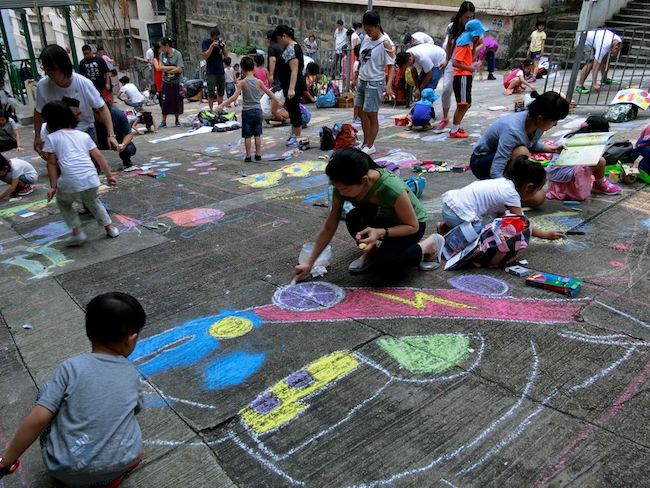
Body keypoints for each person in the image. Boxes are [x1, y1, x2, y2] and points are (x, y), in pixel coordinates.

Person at [0, 292, 146, 486]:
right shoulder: (131, 373)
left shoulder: (71, 367)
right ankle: (111, 477)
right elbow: (135, 410)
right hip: (120, 463)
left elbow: (38, 419)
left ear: (88, 330)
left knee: (47, 394)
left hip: (64, 469)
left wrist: (6, 461)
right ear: (131, 339)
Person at [292, 148, 445, 280]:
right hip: (380, 218)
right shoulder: (341, 185)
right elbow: (330, 226)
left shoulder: (390, 187)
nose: (341, 192)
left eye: (345, 189)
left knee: (390, 263)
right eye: (337, 187)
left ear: (364, 180)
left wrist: (380, 233)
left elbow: (412, 226)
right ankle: (371, 253)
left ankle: (429, 245)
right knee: (353, 218)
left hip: (408, 225)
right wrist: (309, 263)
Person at [470, 91, 570, 206]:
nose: (555, 124)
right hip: (482, 162)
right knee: (521, 151)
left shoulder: (536, 123)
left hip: (502, 163)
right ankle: (501, 192)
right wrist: (508, 197)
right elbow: (496, 170)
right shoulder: (513, 130)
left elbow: (531, 144)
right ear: (540, 118)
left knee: (539, 198)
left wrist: (553, 149)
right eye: (554, 121)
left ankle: (513, 188)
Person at [41, 101, 119, 244]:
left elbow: (51, 164)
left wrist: (53, 186)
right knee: (93, 202)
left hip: (70, 181)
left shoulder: (51, 138)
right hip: (91, 179)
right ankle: (110, 228)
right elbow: (99, 157)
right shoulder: (83, 135)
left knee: (64, 203)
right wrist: (109, 176)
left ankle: (77, 233)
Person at [441, 155, 564, 240]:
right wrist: (545, 234)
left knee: (493, 225)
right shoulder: (512, 195)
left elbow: (502, 215)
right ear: (529, 187)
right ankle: (457, 241)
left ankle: (445, 227)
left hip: (449, 208)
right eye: (537, 190)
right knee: (482, 236)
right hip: (458, 215)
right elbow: (523, 223)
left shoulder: (503, 183)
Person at [34, 44, 119, 155]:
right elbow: (38, 112)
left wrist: (111, 135)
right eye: (45, 69)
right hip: (57, 133)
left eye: (52, 70)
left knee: (91, 164)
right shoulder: (43, 85)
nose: (48, 74)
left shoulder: (83, 83)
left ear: (63, 66)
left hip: (84, 130)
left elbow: (102, 108)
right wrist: (37, 137)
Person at [217, 56, 280, 162]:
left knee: (247, 135)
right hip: (258, 111)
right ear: (253, 67)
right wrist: (277, 101)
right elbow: (269, 92)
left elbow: (234, 97)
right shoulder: (259, 82)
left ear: (242, 69)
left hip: (247, 112)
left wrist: (223, 104)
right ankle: (258, 154)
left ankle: (248, 155)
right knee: (257, 134)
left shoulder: (242, 82)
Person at [352, 10, 395, 155]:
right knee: (362, 112)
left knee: (372, 114)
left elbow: (391, 66)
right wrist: (356, 76)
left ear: (378, 26)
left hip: (375, 82)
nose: (368, 32)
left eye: (370, 29)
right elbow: (362, 59)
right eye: (366, 29)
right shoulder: (366, 38)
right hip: (363, 80)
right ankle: (365, 142)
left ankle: (371, 145)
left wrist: (388, 86)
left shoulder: (385, 43)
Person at [546, 115, 621, 199]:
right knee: (600, 160)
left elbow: (553, 155)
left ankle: (596, 183)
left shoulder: (568, 135)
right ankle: (600, 184)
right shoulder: (584, 141)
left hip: (553, 175)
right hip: (568, 177)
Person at [439, 1, 476, 130]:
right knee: (446, 89)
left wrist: (473, 54)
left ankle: (456, 123)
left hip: (465, 66)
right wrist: (446, 59)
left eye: (471, 17)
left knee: (464, 100)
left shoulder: (474, 28)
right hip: (453, 63)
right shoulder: (452, 27)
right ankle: (445, 118)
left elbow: (480, 43)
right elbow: (449, 43)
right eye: (467, 17)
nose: (469, 20)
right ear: (460, 15)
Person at [449, 19, 486, 139]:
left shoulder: (468, 43)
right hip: (462, 76)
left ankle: (457, 126)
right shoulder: (463, 45)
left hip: (466, 76)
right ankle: (454, 130)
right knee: (462, 105)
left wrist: (475, 44)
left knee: (467, 104)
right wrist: (470, 68)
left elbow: (471, 55)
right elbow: (455, 62)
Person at [274, 25, 306, 147]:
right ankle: (294, 134)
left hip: (293, 85)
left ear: (284, 36)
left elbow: (294, 70)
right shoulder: (290, 47)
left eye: (279, 39)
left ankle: (297, 135)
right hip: (289, 84)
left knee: (294, 110)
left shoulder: (292, 49)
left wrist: (291, 88)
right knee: (292, 109)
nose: (279, 43)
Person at [576, 29, 622, 93]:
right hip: (584, 40)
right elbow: (596, 66)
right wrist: (595, 83)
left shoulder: (618, 41)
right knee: (590, 62)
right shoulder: (604, 45)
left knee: (606, 59)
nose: (616, 54)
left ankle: (604, 79)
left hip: (596, 40)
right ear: (615, 47)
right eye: (616, 51)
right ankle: (579, 85)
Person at [95, 101, 137, 168]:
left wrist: (123, 145)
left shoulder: (118, 114)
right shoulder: (90, 118)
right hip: (99, 141)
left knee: (130, 148)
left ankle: (126, 160)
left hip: (117, 140)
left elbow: (129, 133)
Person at [158, 38, 184, 128]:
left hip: (176, 82)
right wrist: (172, 67)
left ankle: (177, 120)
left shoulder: (177, 54)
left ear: (167, 46)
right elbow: (160, 67)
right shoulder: (162, 55)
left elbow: (180, 68)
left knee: (177, 101)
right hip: (166, 82)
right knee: (164, 102)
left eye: (162, 47)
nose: (161, 49)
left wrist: (169, 69)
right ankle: (163, 121)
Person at [202, 28, 228, 110]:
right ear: (212, 37)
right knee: (211, 92)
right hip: (211, 71)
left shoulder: (220, 43)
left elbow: (226, 56)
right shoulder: (206, 42)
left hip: (220, 71)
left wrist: (223, 46)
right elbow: (206, 55)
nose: (216, 40)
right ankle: (211, 110)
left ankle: (219, 109)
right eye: (215, 38)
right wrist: (212, 46)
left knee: (221, 92)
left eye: (218, 38)